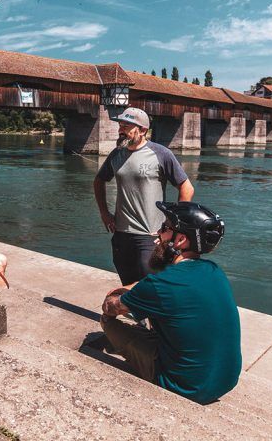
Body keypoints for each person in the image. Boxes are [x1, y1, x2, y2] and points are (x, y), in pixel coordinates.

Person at [100, 201, 241, 405]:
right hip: (225, 381)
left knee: (108, 322)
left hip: (185, 386)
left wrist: (120, 293)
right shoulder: (214, 271)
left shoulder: (160, 285)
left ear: (181, 239)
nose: (158, 233)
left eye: (165, 228)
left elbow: (110, 306)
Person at [93, 106, 195, 286]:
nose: (121, 129)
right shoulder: (116, 154)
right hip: (121, 233)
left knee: (150, 284)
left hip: (151, 235)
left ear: (142, 130)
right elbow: (99, 181)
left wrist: (175, 225)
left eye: (127, 126)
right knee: (127, 282)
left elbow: (186, 187)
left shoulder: (161, 153)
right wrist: (104, 213)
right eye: (121, 125)